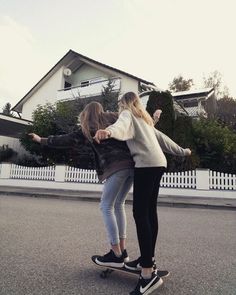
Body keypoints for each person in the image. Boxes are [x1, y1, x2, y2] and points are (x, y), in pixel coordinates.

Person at [94, 92, 191, 295]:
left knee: (140, 214)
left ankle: (147, 275)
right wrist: (183, 151)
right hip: (159, 164)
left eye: (120, 104)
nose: (120, 107)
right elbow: (163, 139)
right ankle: (149, 261)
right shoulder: (144, 119)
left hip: (146, 165)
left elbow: (120, 127)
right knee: (149, 213)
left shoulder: (128, 114)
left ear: (125, 103)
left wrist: (108, 132)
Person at [29, 101, 134, 268]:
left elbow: (63, 140)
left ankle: (115, 253)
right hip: (131, 166)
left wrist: (40, 139)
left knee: (106, 206)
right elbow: (132, 121)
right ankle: (123, 251)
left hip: (115, 168)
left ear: (86, 114)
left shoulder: (87, 128)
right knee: (119, 205)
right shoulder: (114, 117)